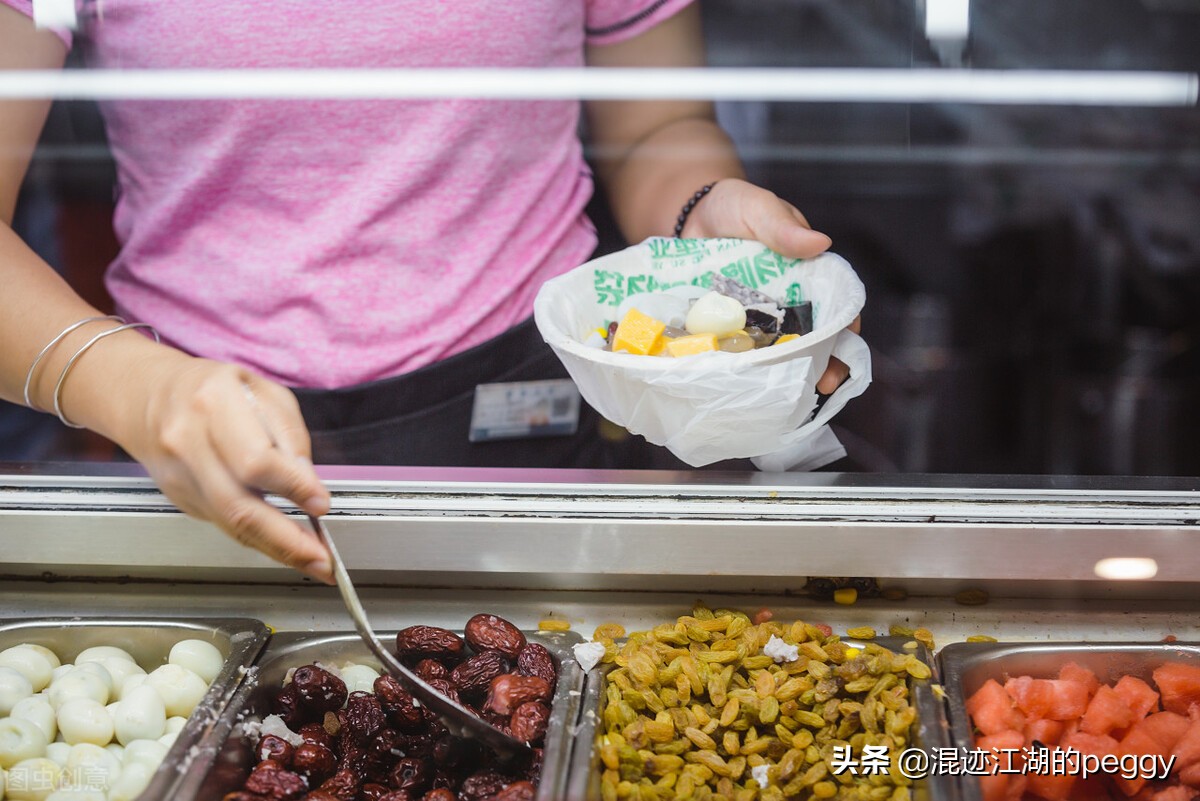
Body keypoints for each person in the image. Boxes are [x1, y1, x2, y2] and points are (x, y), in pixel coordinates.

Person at [0, 1, 855, 584]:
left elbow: (656, 127)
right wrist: (134, 388)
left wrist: (700, 216)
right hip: (193, 439)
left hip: (526, 413)